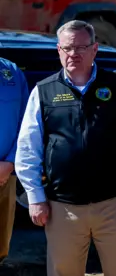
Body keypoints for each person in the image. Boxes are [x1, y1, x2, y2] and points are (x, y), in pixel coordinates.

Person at [14, 20, 116, 276]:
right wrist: (35, 197)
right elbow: (27, 149)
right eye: (67, 48)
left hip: (115, 203)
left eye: (81, 47)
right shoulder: (43, 92)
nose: (73, 54)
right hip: (62, 207)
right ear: (58, 50)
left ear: (95, 49)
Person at [0, 58, 29, 264]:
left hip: (4, 175)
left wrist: (10, 162)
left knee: (0, 245)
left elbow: (25, 121)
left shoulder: (11, 71)